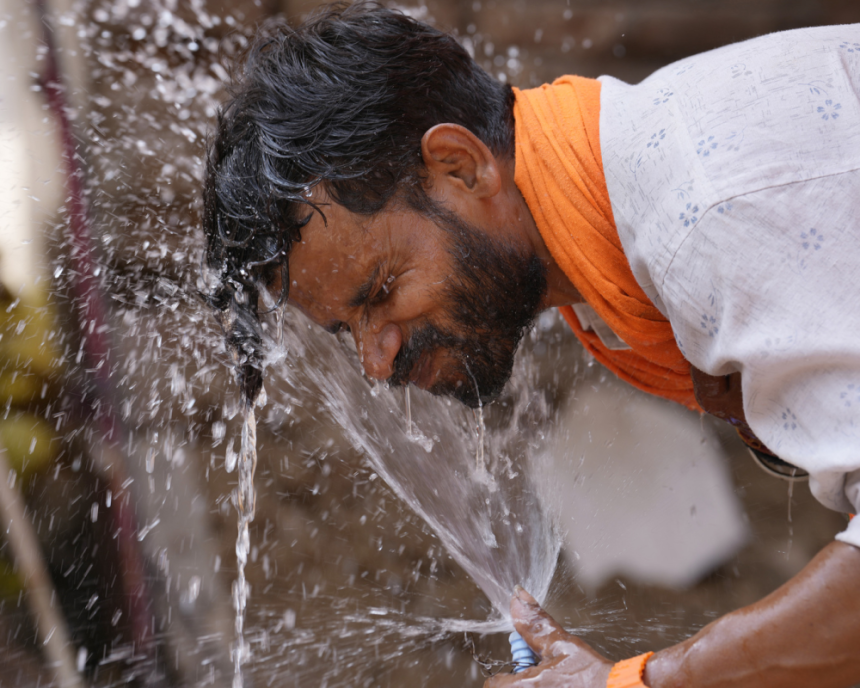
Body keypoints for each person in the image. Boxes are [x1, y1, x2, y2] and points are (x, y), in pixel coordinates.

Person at [202, 3, 860, 687]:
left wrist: (644, 683)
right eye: (349, 329)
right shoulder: (633, 229)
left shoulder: (701, 213)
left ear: (460, 167)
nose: (376, 361)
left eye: (379, 293)